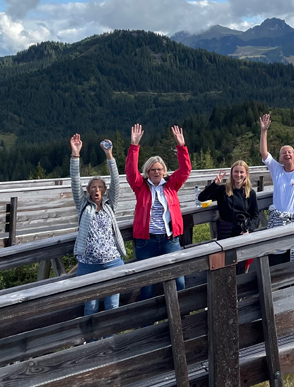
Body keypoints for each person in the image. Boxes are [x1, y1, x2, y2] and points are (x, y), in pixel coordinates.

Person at [126, 123, 191, 298]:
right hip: (146, 242)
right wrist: (134, 146)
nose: (157, 172)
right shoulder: (141, 187)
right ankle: (148, 322)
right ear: (147, 172)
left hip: (170, 240)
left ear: (164, 171)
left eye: (160, 169)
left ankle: (181, 317)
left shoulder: (171, 185)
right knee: (147, 284)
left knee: (179, 281)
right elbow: (131, 172)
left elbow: (186, 170)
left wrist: (181, 147)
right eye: (153, 169)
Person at [69, 134, 126, 316]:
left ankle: (111, 341)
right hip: (88, 263)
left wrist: (109, 155)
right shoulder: (83, 206)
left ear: (105, 191)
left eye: (100, 187)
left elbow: (116, 181)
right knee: (91, 307)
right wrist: (75, 155)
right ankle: (92, 342)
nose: (97, 190)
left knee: (112, 304)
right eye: (93, 187)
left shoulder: (110, 206)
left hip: (112, 261)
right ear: (88, 191)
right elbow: (74, 181)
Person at [259, 112, 294, 263]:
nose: (287, 154)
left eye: (290, 152)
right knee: (278, 259)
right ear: (280, 158)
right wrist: (264, 131)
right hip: (279, 220)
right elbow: (264, 153)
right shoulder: (276, 169)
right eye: (283, 153)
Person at [198, 160, 259, 240]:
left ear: (246, 174)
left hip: (243, 229)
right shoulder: (223, 190)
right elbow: (202, 197)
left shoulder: (250, 193)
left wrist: (249, 229)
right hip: (225, 229)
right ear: (232, 173)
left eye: (241, 172)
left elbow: (255, 215)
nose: (238, 175)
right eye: (236, 172)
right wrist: (214, 185)